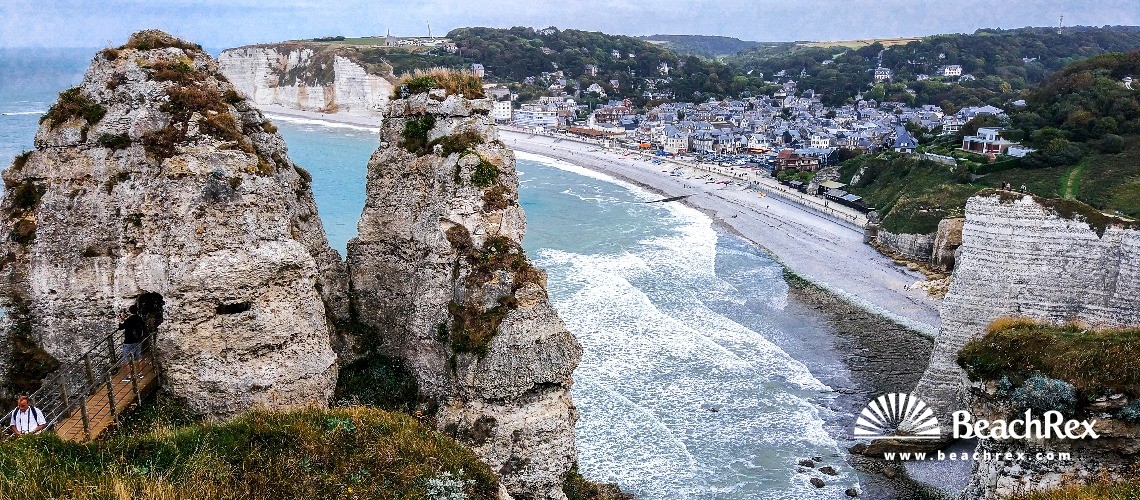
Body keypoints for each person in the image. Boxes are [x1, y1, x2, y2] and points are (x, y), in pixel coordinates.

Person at [117, 305, 146, 378]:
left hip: (128, 342)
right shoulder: (139, 318)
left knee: (126, 358)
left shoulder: (129, 320)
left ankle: (129, 376)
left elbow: (121, 328)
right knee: (139, 357)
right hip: (137, 341)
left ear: (130, 311)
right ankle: (141, 373)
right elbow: (144, 327)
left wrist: (120, 321)